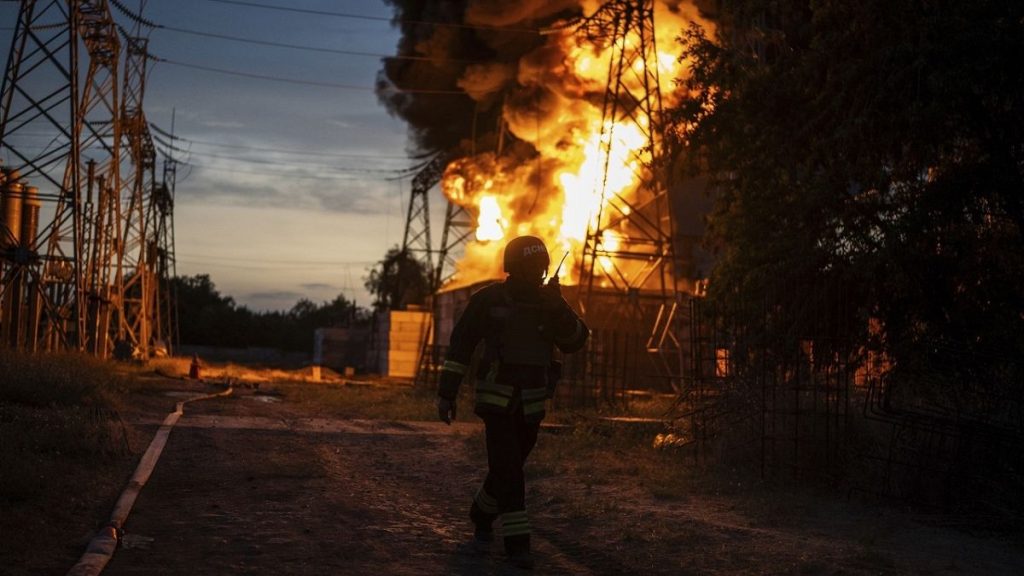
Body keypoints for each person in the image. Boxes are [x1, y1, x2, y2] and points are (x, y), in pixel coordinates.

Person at [436, 235, 589, 570]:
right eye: (532, 265)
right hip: (496, 403)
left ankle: (480, 513)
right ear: (516, 267)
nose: (538, 271)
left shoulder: (549, 304)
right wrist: (446, 393)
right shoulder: (488, 300)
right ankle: (518, 545)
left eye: (541, 265)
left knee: (508, 468)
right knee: (509, 470)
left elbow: (576, 341)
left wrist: (559, 309)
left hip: (532, 405)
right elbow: (460, 347)